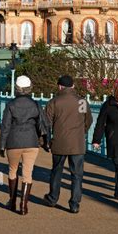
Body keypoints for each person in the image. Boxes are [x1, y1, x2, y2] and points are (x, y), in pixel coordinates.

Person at [0, 75, 50, 216]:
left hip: (13, 142)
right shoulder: (36, 104)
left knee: (12, 170)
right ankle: (23, 205)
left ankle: (12, 200)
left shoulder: (11, 105)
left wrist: (2, 145)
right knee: (28, 173)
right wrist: (46, 141)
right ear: (29, 89)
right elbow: (43, 124)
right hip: (31, 142)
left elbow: (5, 127)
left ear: (17, 88)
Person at [44, 75, 92, 214]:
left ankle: (53, 198)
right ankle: (74, 204)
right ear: (73, 86)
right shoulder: (82, 102)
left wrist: (46, 141)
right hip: (77, 143)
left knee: (56, 171)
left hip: (59, 142)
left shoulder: (54, 102)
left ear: (60, 86)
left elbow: (46, 123)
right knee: (77, 174)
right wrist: (81, 132)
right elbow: (88, 120)